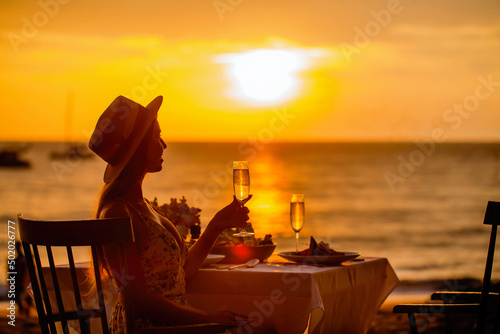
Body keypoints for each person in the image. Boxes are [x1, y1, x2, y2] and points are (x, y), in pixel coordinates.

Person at [89, 96, 276, 334]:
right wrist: (209, 317)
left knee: (263, 325)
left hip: (174, 323)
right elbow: (138, 301)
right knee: (261, 329)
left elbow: (180, 273)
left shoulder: (142, 205)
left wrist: (215, 226)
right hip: (147, 328)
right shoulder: (117, 213)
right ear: (138, 148)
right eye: (157, 136)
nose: (164, 144)